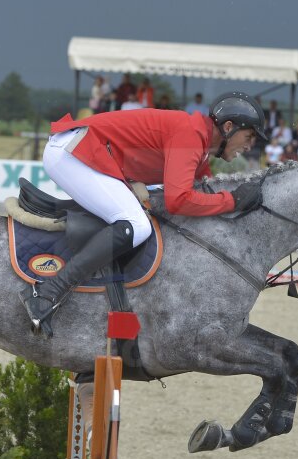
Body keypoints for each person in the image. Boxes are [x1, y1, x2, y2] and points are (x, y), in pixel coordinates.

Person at [23, 92, 268, 336]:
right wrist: (234, 201)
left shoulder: (200, 143)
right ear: (227, 127)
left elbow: (203, 191)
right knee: (136, 225)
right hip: (72, 153)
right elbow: (179, 200)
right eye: (248, 137)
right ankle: (47, 293)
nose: (249, 146)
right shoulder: (190, 134)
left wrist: (236, 201)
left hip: (85, 151)